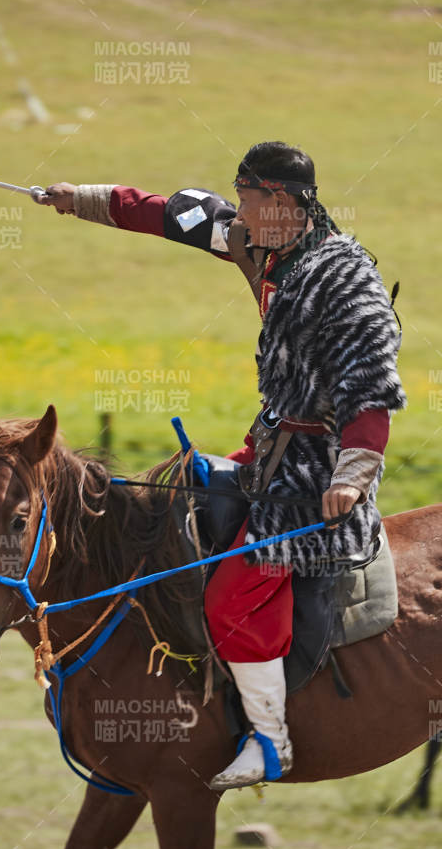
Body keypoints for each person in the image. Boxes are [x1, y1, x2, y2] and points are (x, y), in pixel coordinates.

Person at [40, 141, 406, 789]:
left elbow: (370, 389)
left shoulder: (347, 282)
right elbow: (173, 214)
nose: (238, 211)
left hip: (316, 474)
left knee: (236, 592)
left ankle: (270, 740)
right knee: (175, 515)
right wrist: (80, 201)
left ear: (282, 200)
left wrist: (352, 478)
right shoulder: (261, 242)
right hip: (268, 450)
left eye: (247, 197)